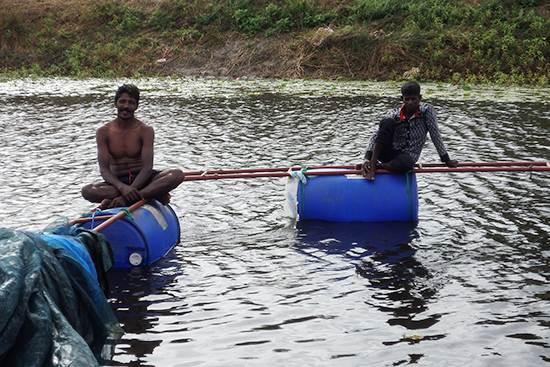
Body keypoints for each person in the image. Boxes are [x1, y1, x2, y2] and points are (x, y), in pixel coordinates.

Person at [81, 84, 184, 209]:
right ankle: (152, 194)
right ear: (115, 104)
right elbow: (104, 170)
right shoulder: (103, 132)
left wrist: (126, 196)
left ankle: (138, 195)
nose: (126, 106)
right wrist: (122, 188)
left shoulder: (145, 130)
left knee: (177, 174)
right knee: (88, 190)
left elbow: (147, 168)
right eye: (122, 102)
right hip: (117, 183)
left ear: (136, 106)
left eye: (131, 103)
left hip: (144, 179)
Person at [360, 81, 458, 180]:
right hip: (389, 152)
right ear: (402, 99)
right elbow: (377, 135)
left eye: (413, 99)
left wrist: (446, 159)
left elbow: (435, 134)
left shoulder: (426, 111)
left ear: (419, 98)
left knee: (405, 164)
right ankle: (372, 163)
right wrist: (366, 159)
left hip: (407, 156)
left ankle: (379, 166)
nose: (410, 102)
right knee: (386, 122)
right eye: (407, 99)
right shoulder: (394, 114)